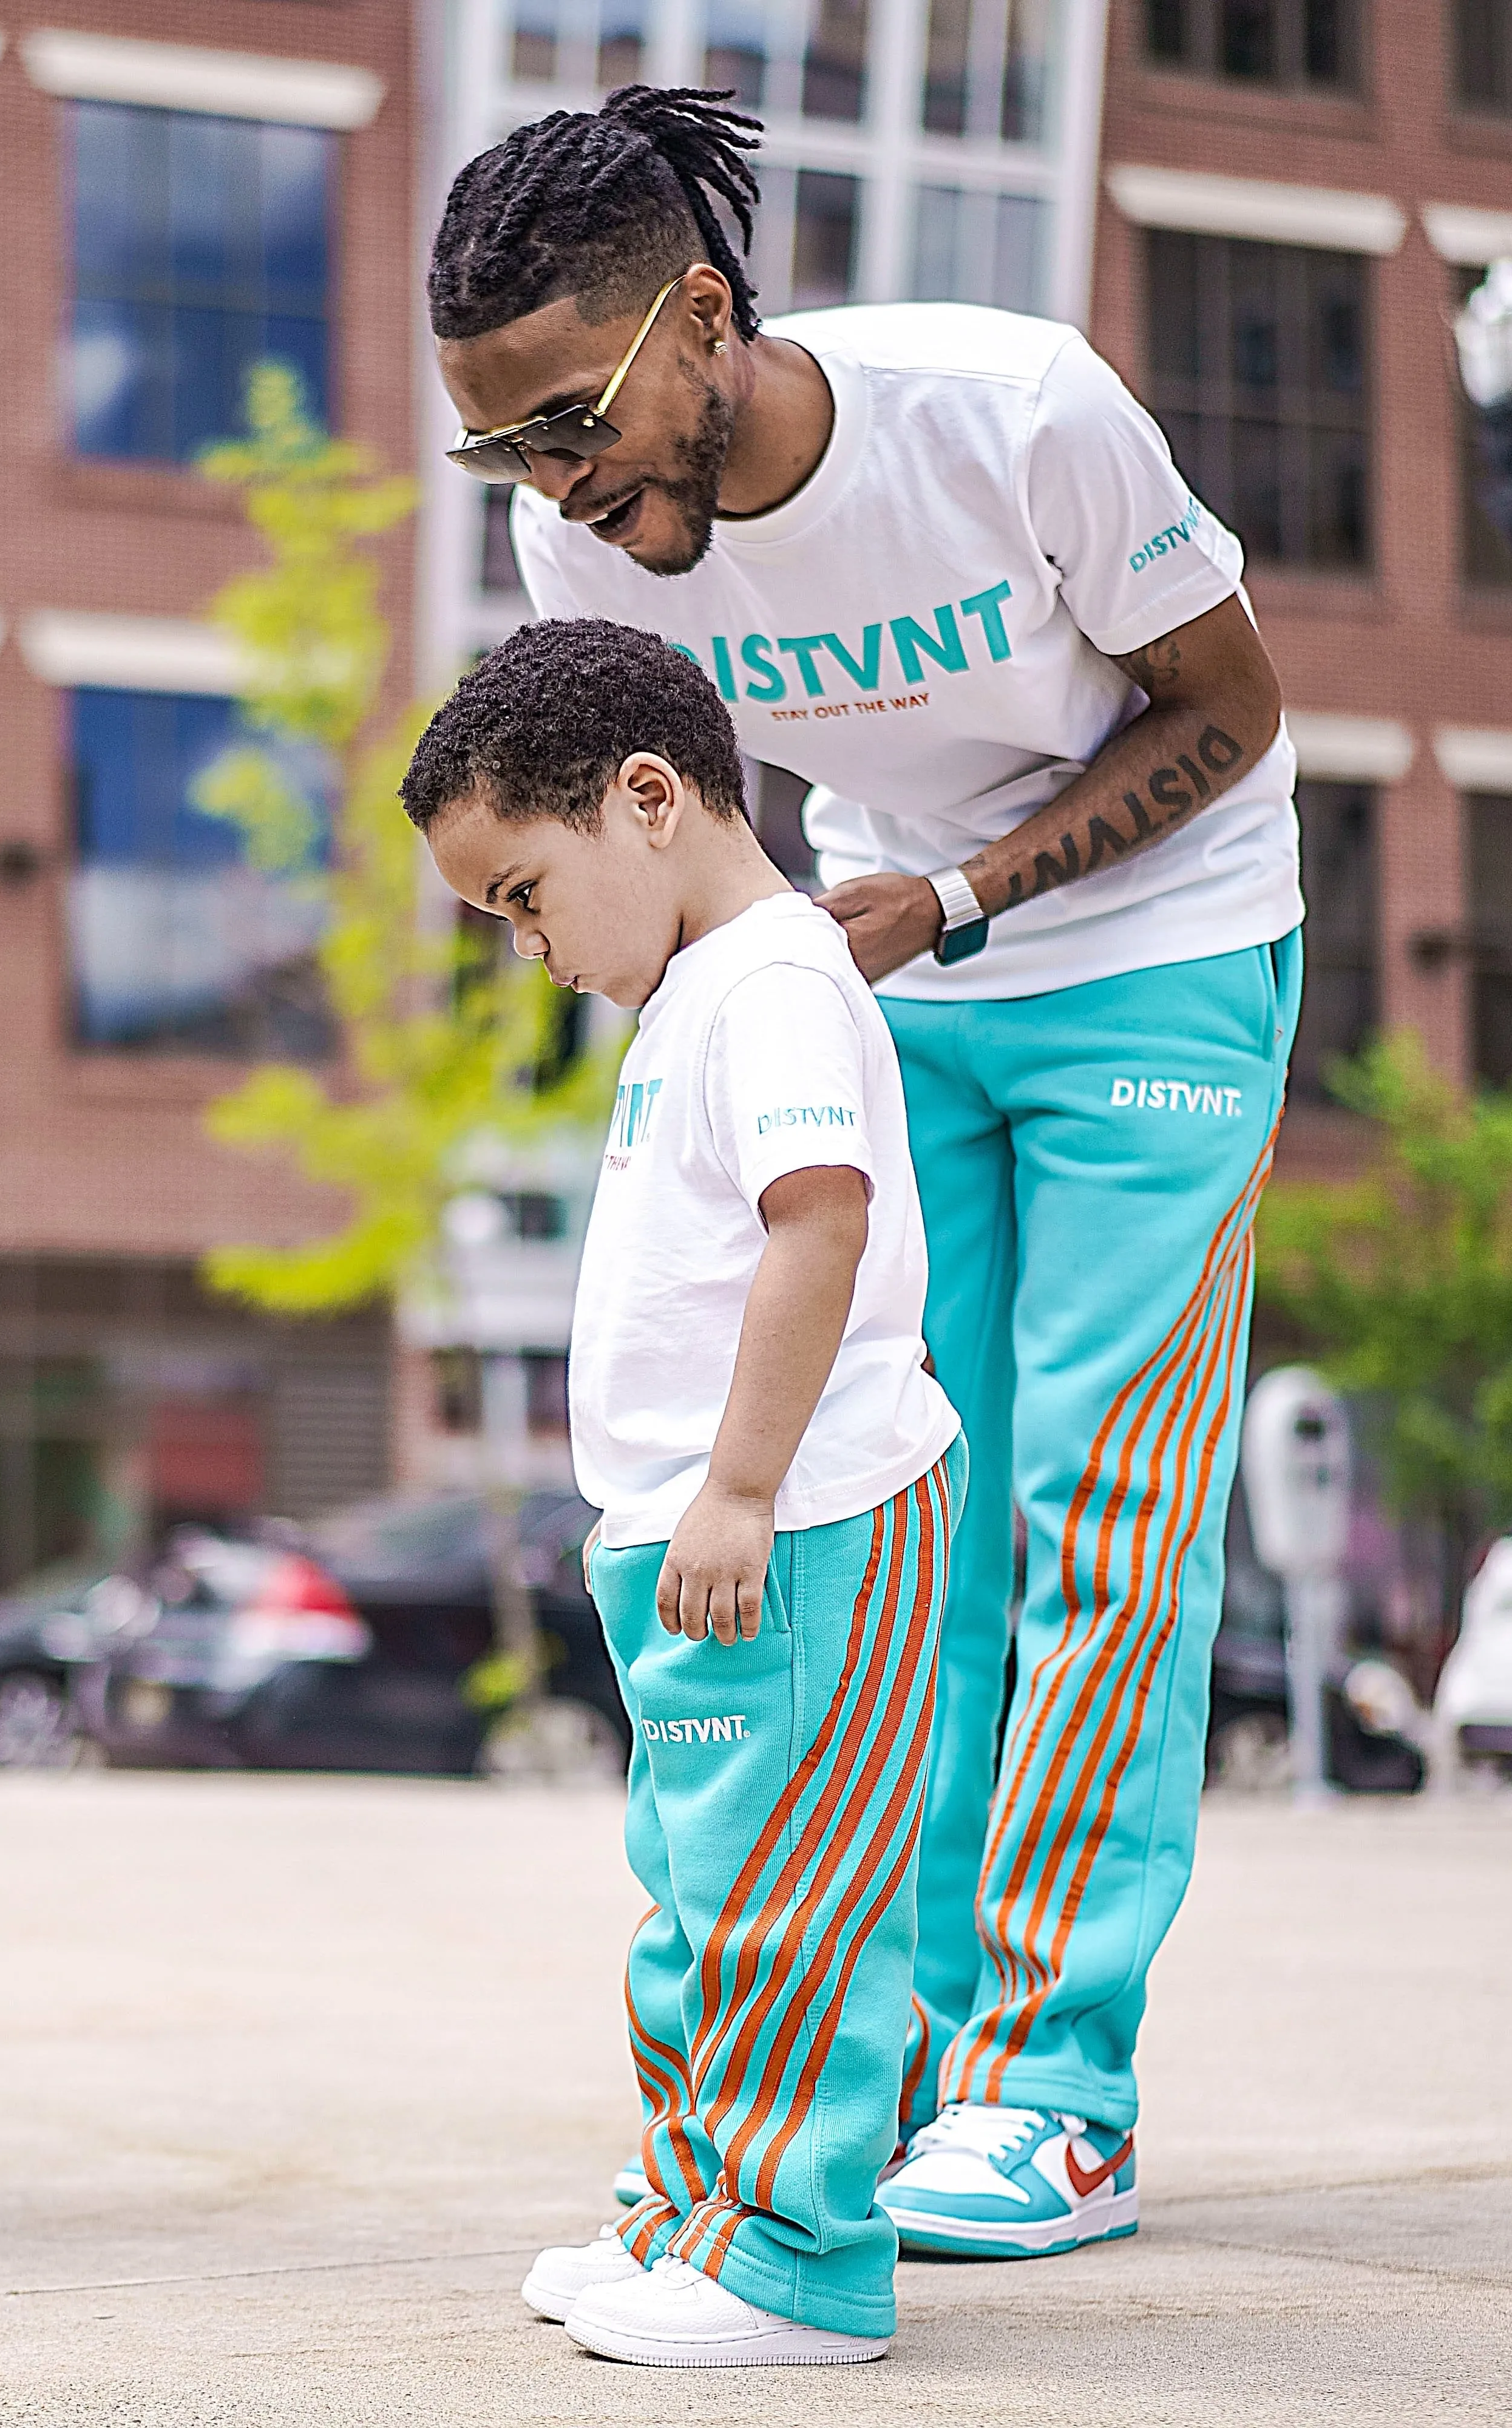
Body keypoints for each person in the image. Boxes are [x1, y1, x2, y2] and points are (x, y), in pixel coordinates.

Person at [429, 90, 1299, 2262]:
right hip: (878, 981)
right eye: (507, 451)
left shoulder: (1012, 415)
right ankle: (882, 2051)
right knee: (908, 1502)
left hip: (1160, 957)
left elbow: (1232, 711)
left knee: (1104, 1503)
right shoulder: (584, 546)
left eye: (573, 423)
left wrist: (971, 896)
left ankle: (1053, 2089)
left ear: (702, 316)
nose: (554, 488)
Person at [406, 618, 962, 2368]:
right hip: (709, 1543)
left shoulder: (778, 983)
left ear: (647, 801)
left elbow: (824, 1221)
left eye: (525, 891)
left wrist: (736, 1484)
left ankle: (801, 2266)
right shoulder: (700, 995)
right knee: (705, 1897)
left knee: (784, 1914)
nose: (529, 941)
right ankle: (698, 2210)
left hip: (794, 1531)